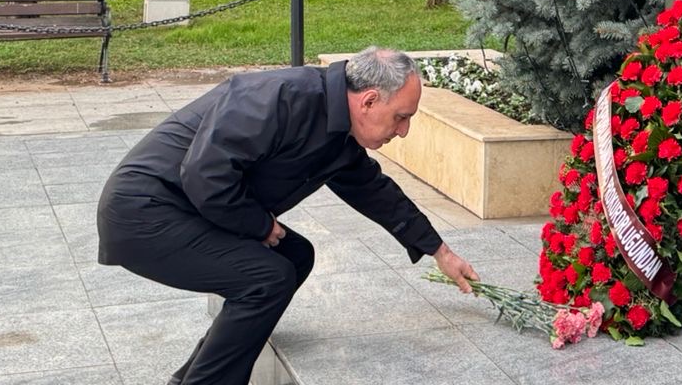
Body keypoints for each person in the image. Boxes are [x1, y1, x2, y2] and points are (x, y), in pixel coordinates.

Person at [97, 47, 478, 385]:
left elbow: (373, 190)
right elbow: (204, 174)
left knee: (293, 256)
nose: (404, 130)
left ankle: (192, 375)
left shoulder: (339, 130)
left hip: (187, 207)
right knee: (267, 278)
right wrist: (259, 225)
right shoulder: (278, 97)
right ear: (369, 101)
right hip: (144, 212)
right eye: (400, 117)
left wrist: (440, 251)